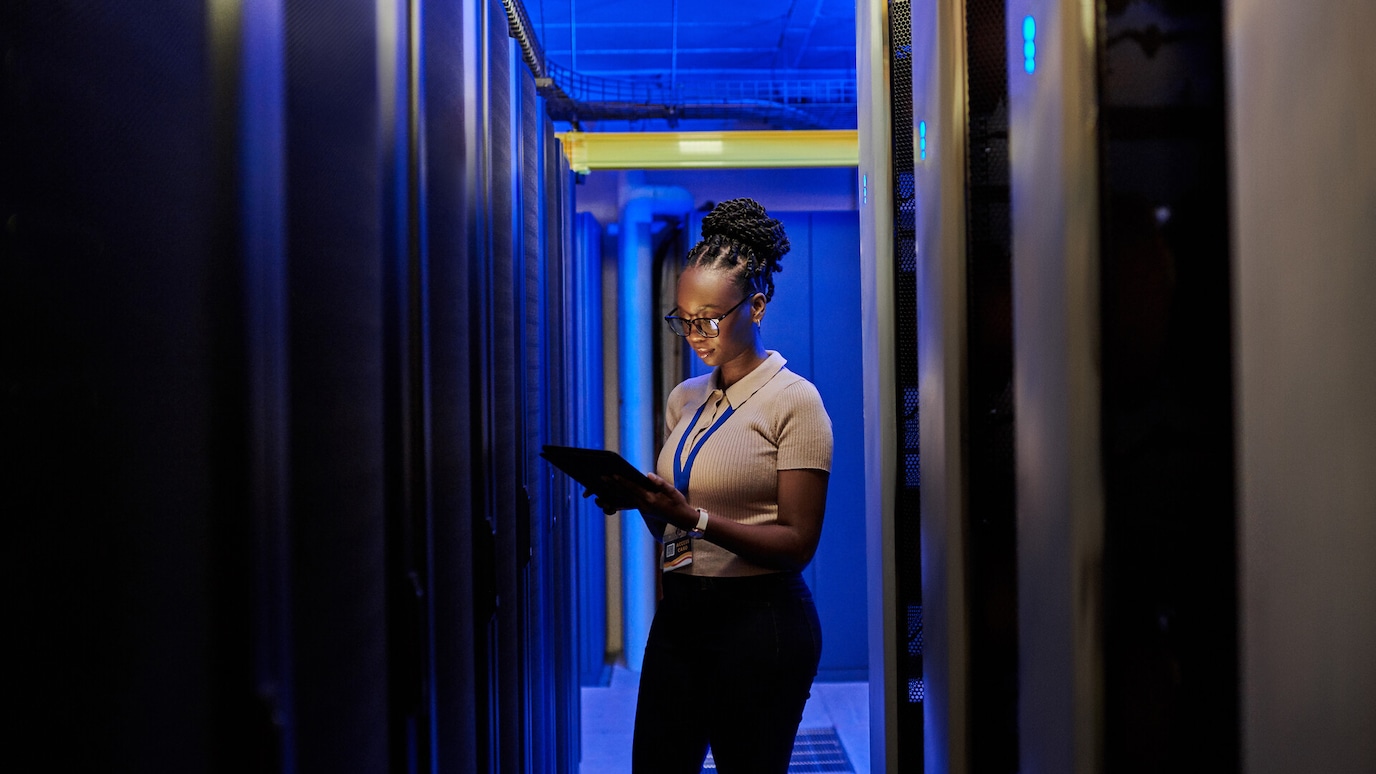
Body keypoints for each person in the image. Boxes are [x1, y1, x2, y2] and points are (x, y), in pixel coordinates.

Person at [604, 198, 834, 773]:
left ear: (756, 306)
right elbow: (673, 519)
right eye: (683, 318)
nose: (695, 332)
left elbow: (798, 544)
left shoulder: (795, 401)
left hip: (761, 623)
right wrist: (645, 503)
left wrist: (693, 519)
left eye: (710, 317)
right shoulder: (684, 397)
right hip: (681, 614)